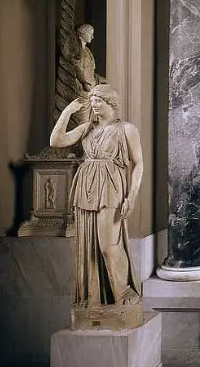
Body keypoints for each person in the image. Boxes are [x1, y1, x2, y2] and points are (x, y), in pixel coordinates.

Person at [50, 84, 143, 307]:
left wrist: (131, 196)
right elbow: (56, 141)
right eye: (92, 99)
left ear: (111, 103)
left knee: (107, 246)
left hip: (111, 188)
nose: (93, 103)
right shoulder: (86, 128)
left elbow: (139, 164)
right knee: (88, 246)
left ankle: (123, 292)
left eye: (98, 99)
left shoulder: (127, 129)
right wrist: (67, 112)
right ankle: (95, 298)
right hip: (86, 188)